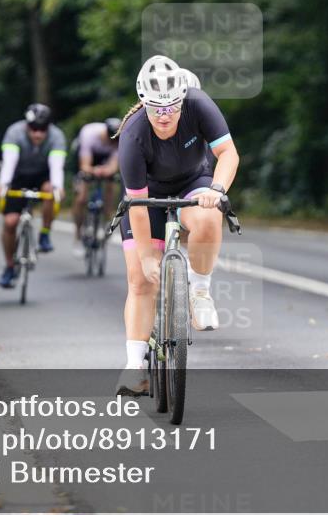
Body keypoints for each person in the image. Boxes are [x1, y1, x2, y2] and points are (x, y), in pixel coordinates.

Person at [114, 56, 239, 396]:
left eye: (171, 107)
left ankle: (199, 291)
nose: (164, 116)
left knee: (211, 217)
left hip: (193, 182)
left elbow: (228, 153)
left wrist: (217, 190)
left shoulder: (199, 104)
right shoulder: (133, 135)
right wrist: (146, 257)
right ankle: (134, 365)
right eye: (156, 109)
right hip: (147, 197)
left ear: (183, 99)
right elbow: (137, 205)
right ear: (143, 103)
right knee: (140, 281)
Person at [0, 103, 66, 288]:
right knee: (10, 222)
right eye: (33, 129)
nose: (38, 134)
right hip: (17, 176)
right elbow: (9, 162)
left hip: (43, 175)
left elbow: (56, 165)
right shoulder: (14, 132)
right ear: (27, 125)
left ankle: (45, 233)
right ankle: (10, 266)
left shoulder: (57, 136)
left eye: (42, 129)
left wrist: (58, 186)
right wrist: (3, 184)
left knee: (50, 190)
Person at [71, 117, 123, 257]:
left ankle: (106, 220)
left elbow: (113, 166)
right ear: (105, 132)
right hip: (88, 155)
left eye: (115, 139)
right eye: (110, 138)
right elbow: (85, 165)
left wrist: (107, 171)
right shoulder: (89, 134)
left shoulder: (117, 140)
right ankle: (78, 234)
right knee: (81, 197)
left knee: (111, 185)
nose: (113, 141)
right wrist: (93, 171)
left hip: (105, 159)